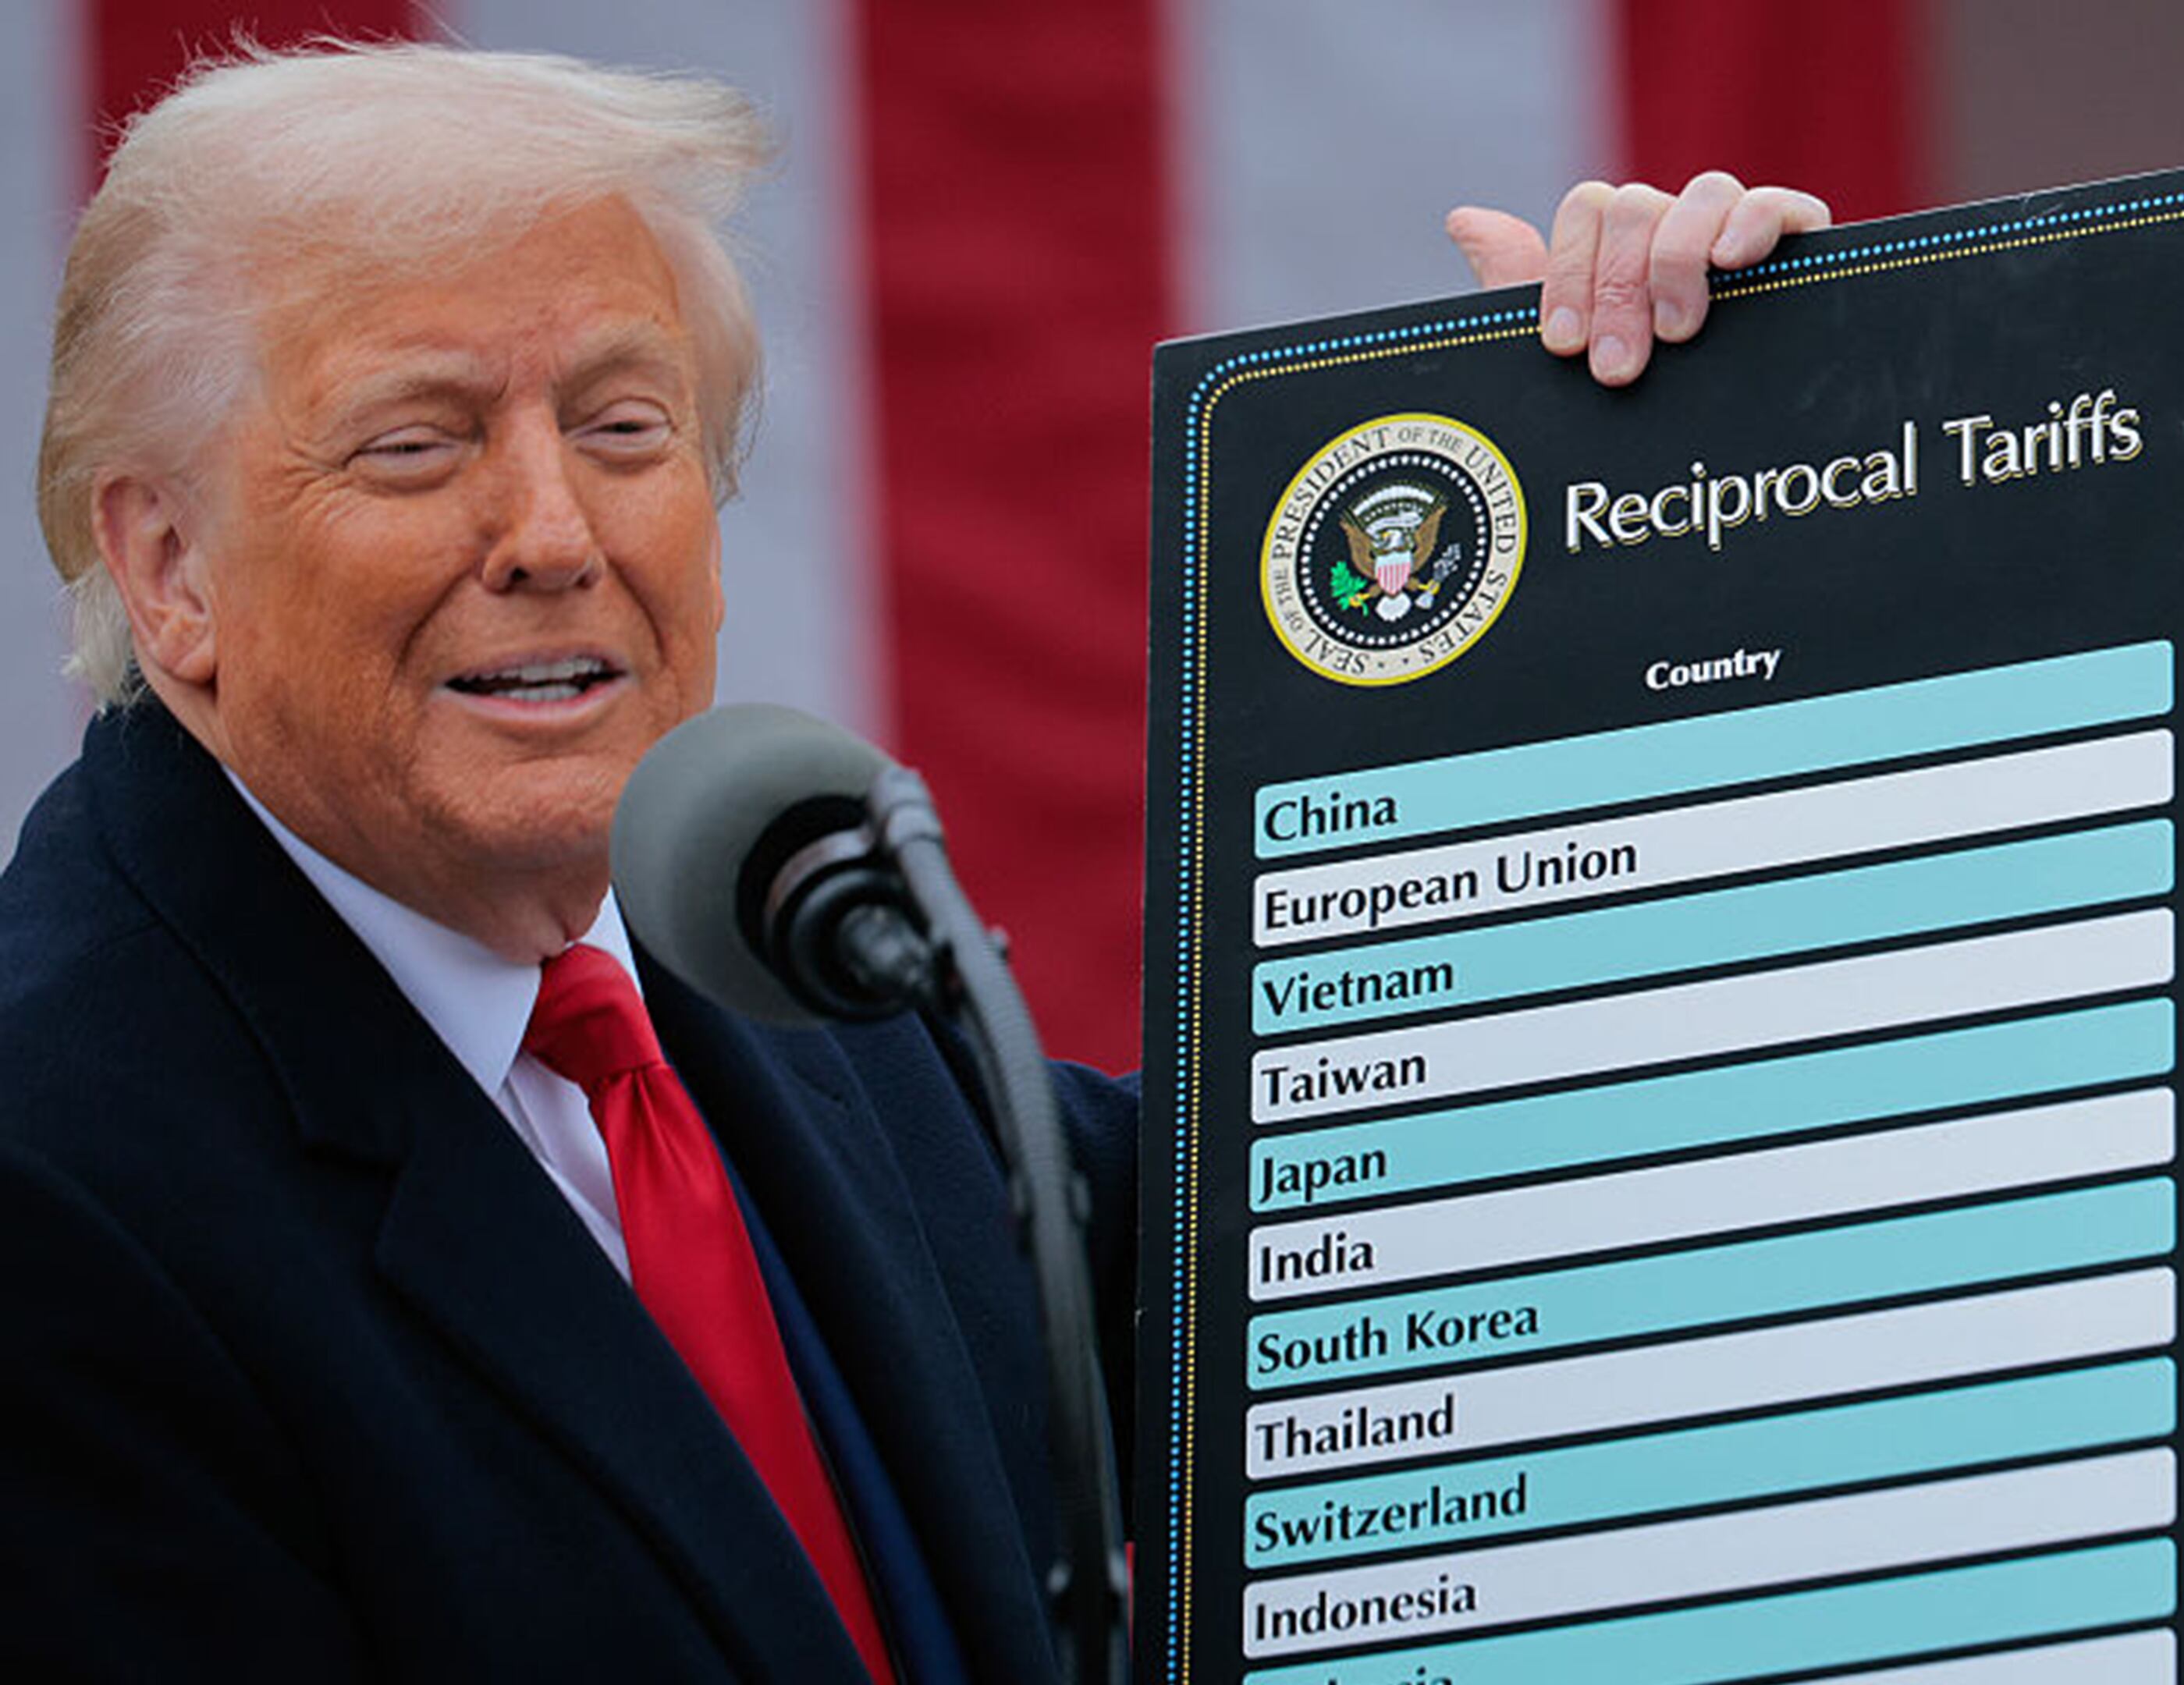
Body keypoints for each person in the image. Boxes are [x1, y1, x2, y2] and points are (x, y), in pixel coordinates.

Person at [0, 40, 1826, 1683]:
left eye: (626, 429)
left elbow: (1384, 1273)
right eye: (419, 445)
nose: (554, 533)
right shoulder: (59, 1192)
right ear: (167, 569)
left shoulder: (787, 945)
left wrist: (1648, 522)